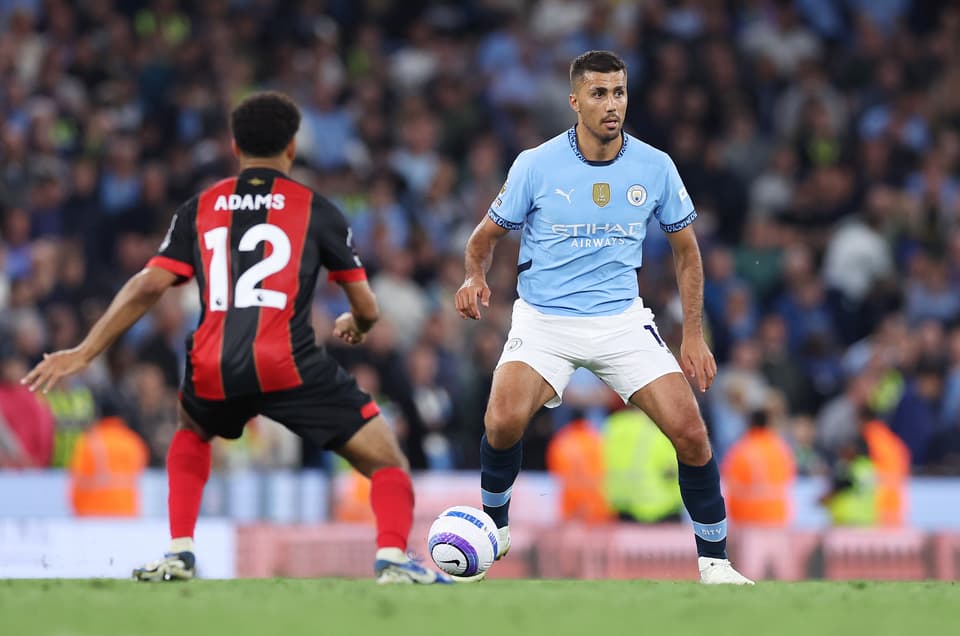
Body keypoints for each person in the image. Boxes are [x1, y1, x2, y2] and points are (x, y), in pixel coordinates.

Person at [23, 91, 450, 585]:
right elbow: (368, 306)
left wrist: (84, 351)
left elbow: (147, 286)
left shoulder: (199, 207)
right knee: (387, 459)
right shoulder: (317, 210)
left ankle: (179, 551)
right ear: (291, 148)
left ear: (234, 146)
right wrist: (359, 325)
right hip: (288, 361)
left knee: (192, 431)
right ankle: (393, 558)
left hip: (214, 362)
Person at [455, 50, 753, 584]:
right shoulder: (535, 165)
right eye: (598, 93)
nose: (612, 104)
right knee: (501, 421)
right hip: (545, 321)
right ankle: (495, 527)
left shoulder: (655, 166)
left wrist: (693, 334)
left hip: (620, 322)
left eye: (619, 92)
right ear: (575, 101)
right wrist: (474, 277)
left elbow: (687, 252)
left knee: (691, 433)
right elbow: (483, 239)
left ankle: (716, 563)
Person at [720, 409, 796, 527]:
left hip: (747, 516)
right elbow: (790, 477)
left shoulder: (741, 449)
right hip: (777, 515)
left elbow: (730, 482)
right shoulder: (781, 448)